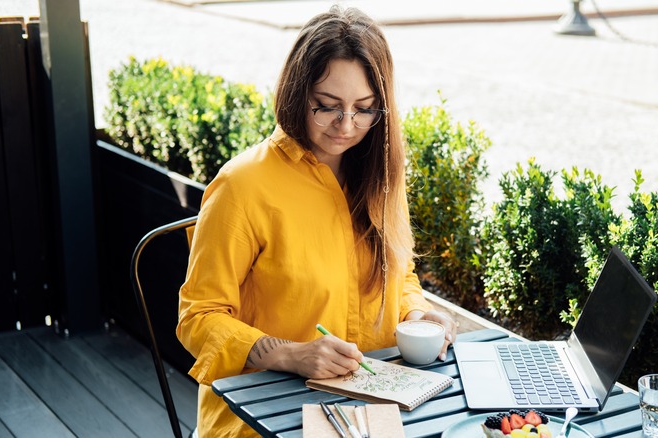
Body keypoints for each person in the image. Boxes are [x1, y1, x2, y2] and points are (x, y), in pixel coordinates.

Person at [176, 5, 458, 437]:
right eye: (327, 107)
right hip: (263, 419)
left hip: (370, 410)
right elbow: (199, 317)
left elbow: (399, 275)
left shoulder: (380, 174)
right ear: (296, 93)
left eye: (364, 109)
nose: (346, 126)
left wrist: (418, 315)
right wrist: (290, 354)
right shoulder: (243, 186)